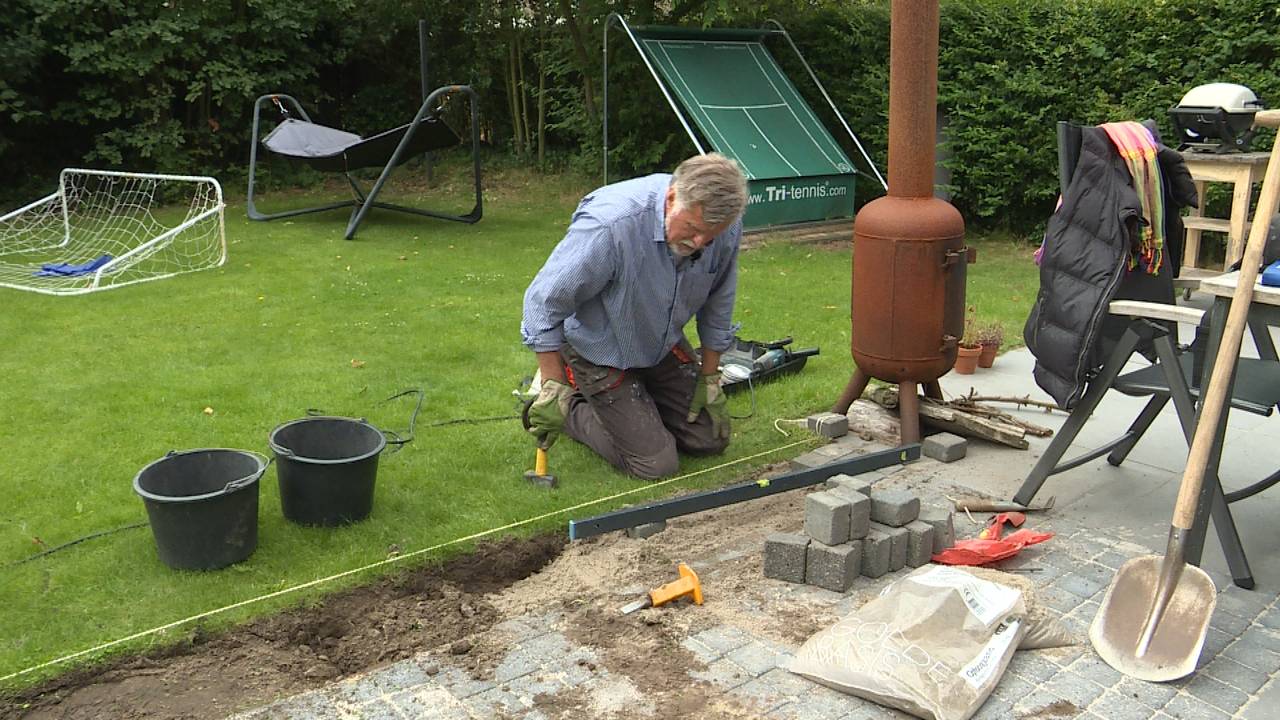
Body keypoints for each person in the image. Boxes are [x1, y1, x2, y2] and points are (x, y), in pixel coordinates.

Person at [520, 153, 750, 479]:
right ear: (672, 199)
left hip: (659, 340)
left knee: (710, 438)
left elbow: (719, 302)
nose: (700, 242)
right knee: (655, 464)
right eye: (693, 228)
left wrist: (710, 377)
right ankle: (571, 403)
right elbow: (543, 302)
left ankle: (637, 404)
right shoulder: (611, 226)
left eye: (711, 235)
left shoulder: (726, 226)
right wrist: (552, 383)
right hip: (599, 347)